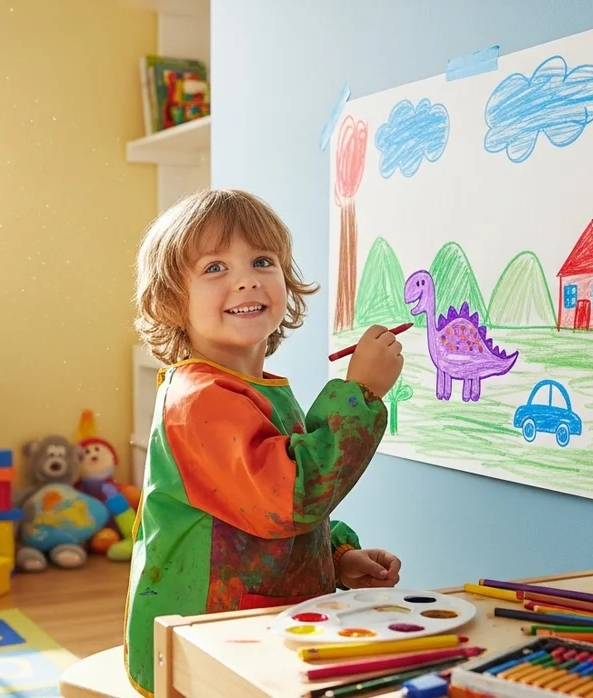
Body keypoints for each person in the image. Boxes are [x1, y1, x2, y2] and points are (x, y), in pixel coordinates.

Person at [122, 188, 406, 696]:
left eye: (261, 260)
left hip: (253, 630)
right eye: (214, 268)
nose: (246, 278)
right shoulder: (200, 399)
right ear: (171, 301)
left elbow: (249, 516)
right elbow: (288, 499)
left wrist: (335, 557)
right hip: (204, 639)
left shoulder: (253, 388)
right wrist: (359, 393)